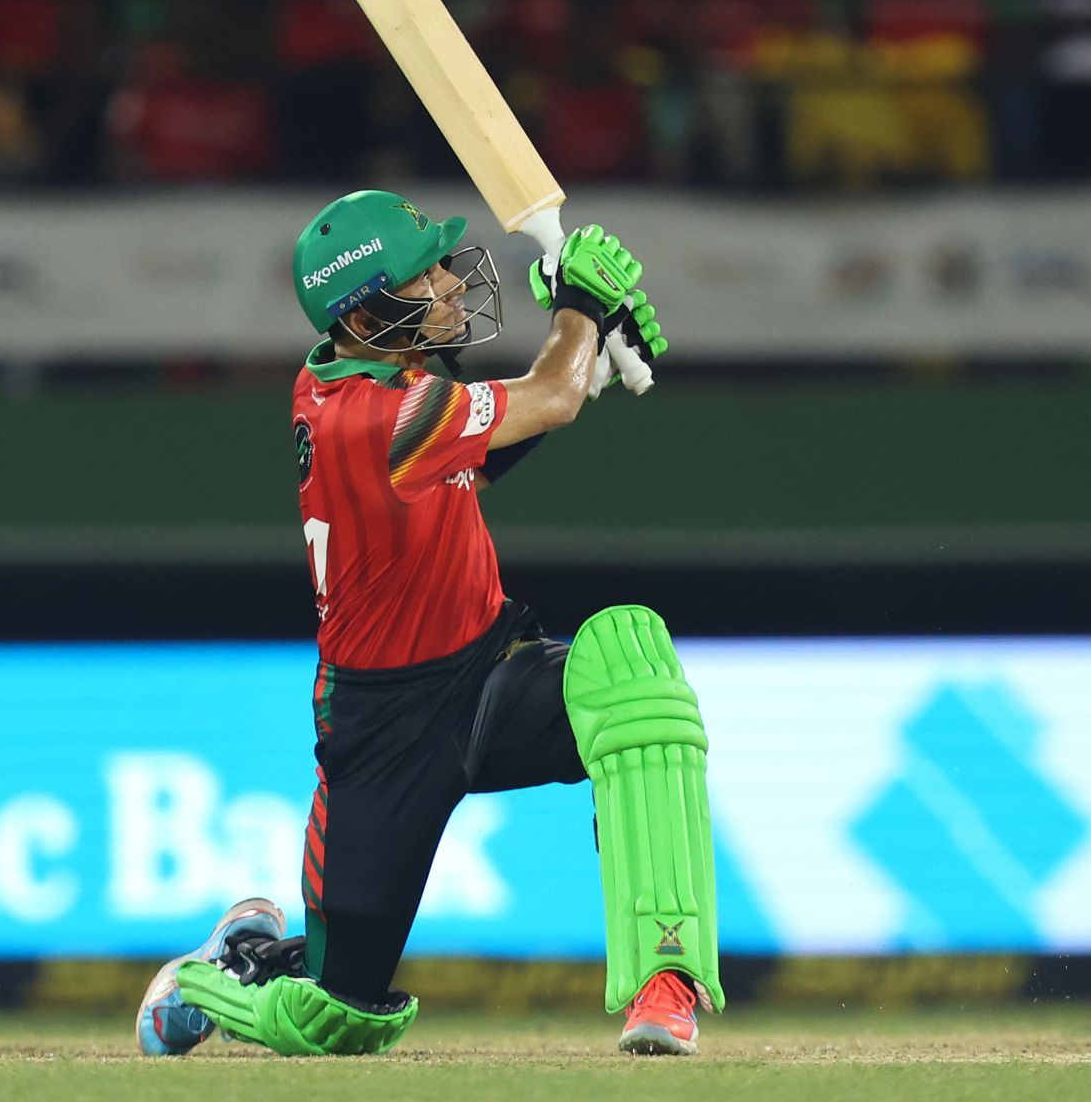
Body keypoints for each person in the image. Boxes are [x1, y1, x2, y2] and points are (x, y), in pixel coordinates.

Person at [135, 190, 719, 1058]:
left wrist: (586, 355)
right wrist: (581, 313)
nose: (451, 283)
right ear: (365, 307)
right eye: (427, 272)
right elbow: (546, 399)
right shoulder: (376, 416)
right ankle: (227, 971)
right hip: (383, 725)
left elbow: (483, 455)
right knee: (336, 1017)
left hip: (489, 670)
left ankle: (665, 985)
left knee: (636, 675)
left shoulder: (378, 385)